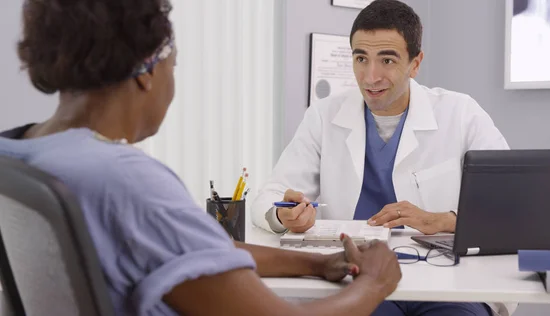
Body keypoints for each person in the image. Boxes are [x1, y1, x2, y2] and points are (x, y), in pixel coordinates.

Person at [0, 0, 402, 315]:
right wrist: (375, 283)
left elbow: (199, 251)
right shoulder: (126, 182)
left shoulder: (20, 150)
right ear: (148, 70)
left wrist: (315, 264)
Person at [252, 0, 513, 315]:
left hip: (446, 281)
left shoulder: (461, 113)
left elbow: (513, 207)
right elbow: (270, 197)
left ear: (415, 63)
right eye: (361, 58)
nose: (370, 76)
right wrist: (284, 215)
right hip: (361, 280)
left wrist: (444, 220)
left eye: (387, 60)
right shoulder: (324, 115)